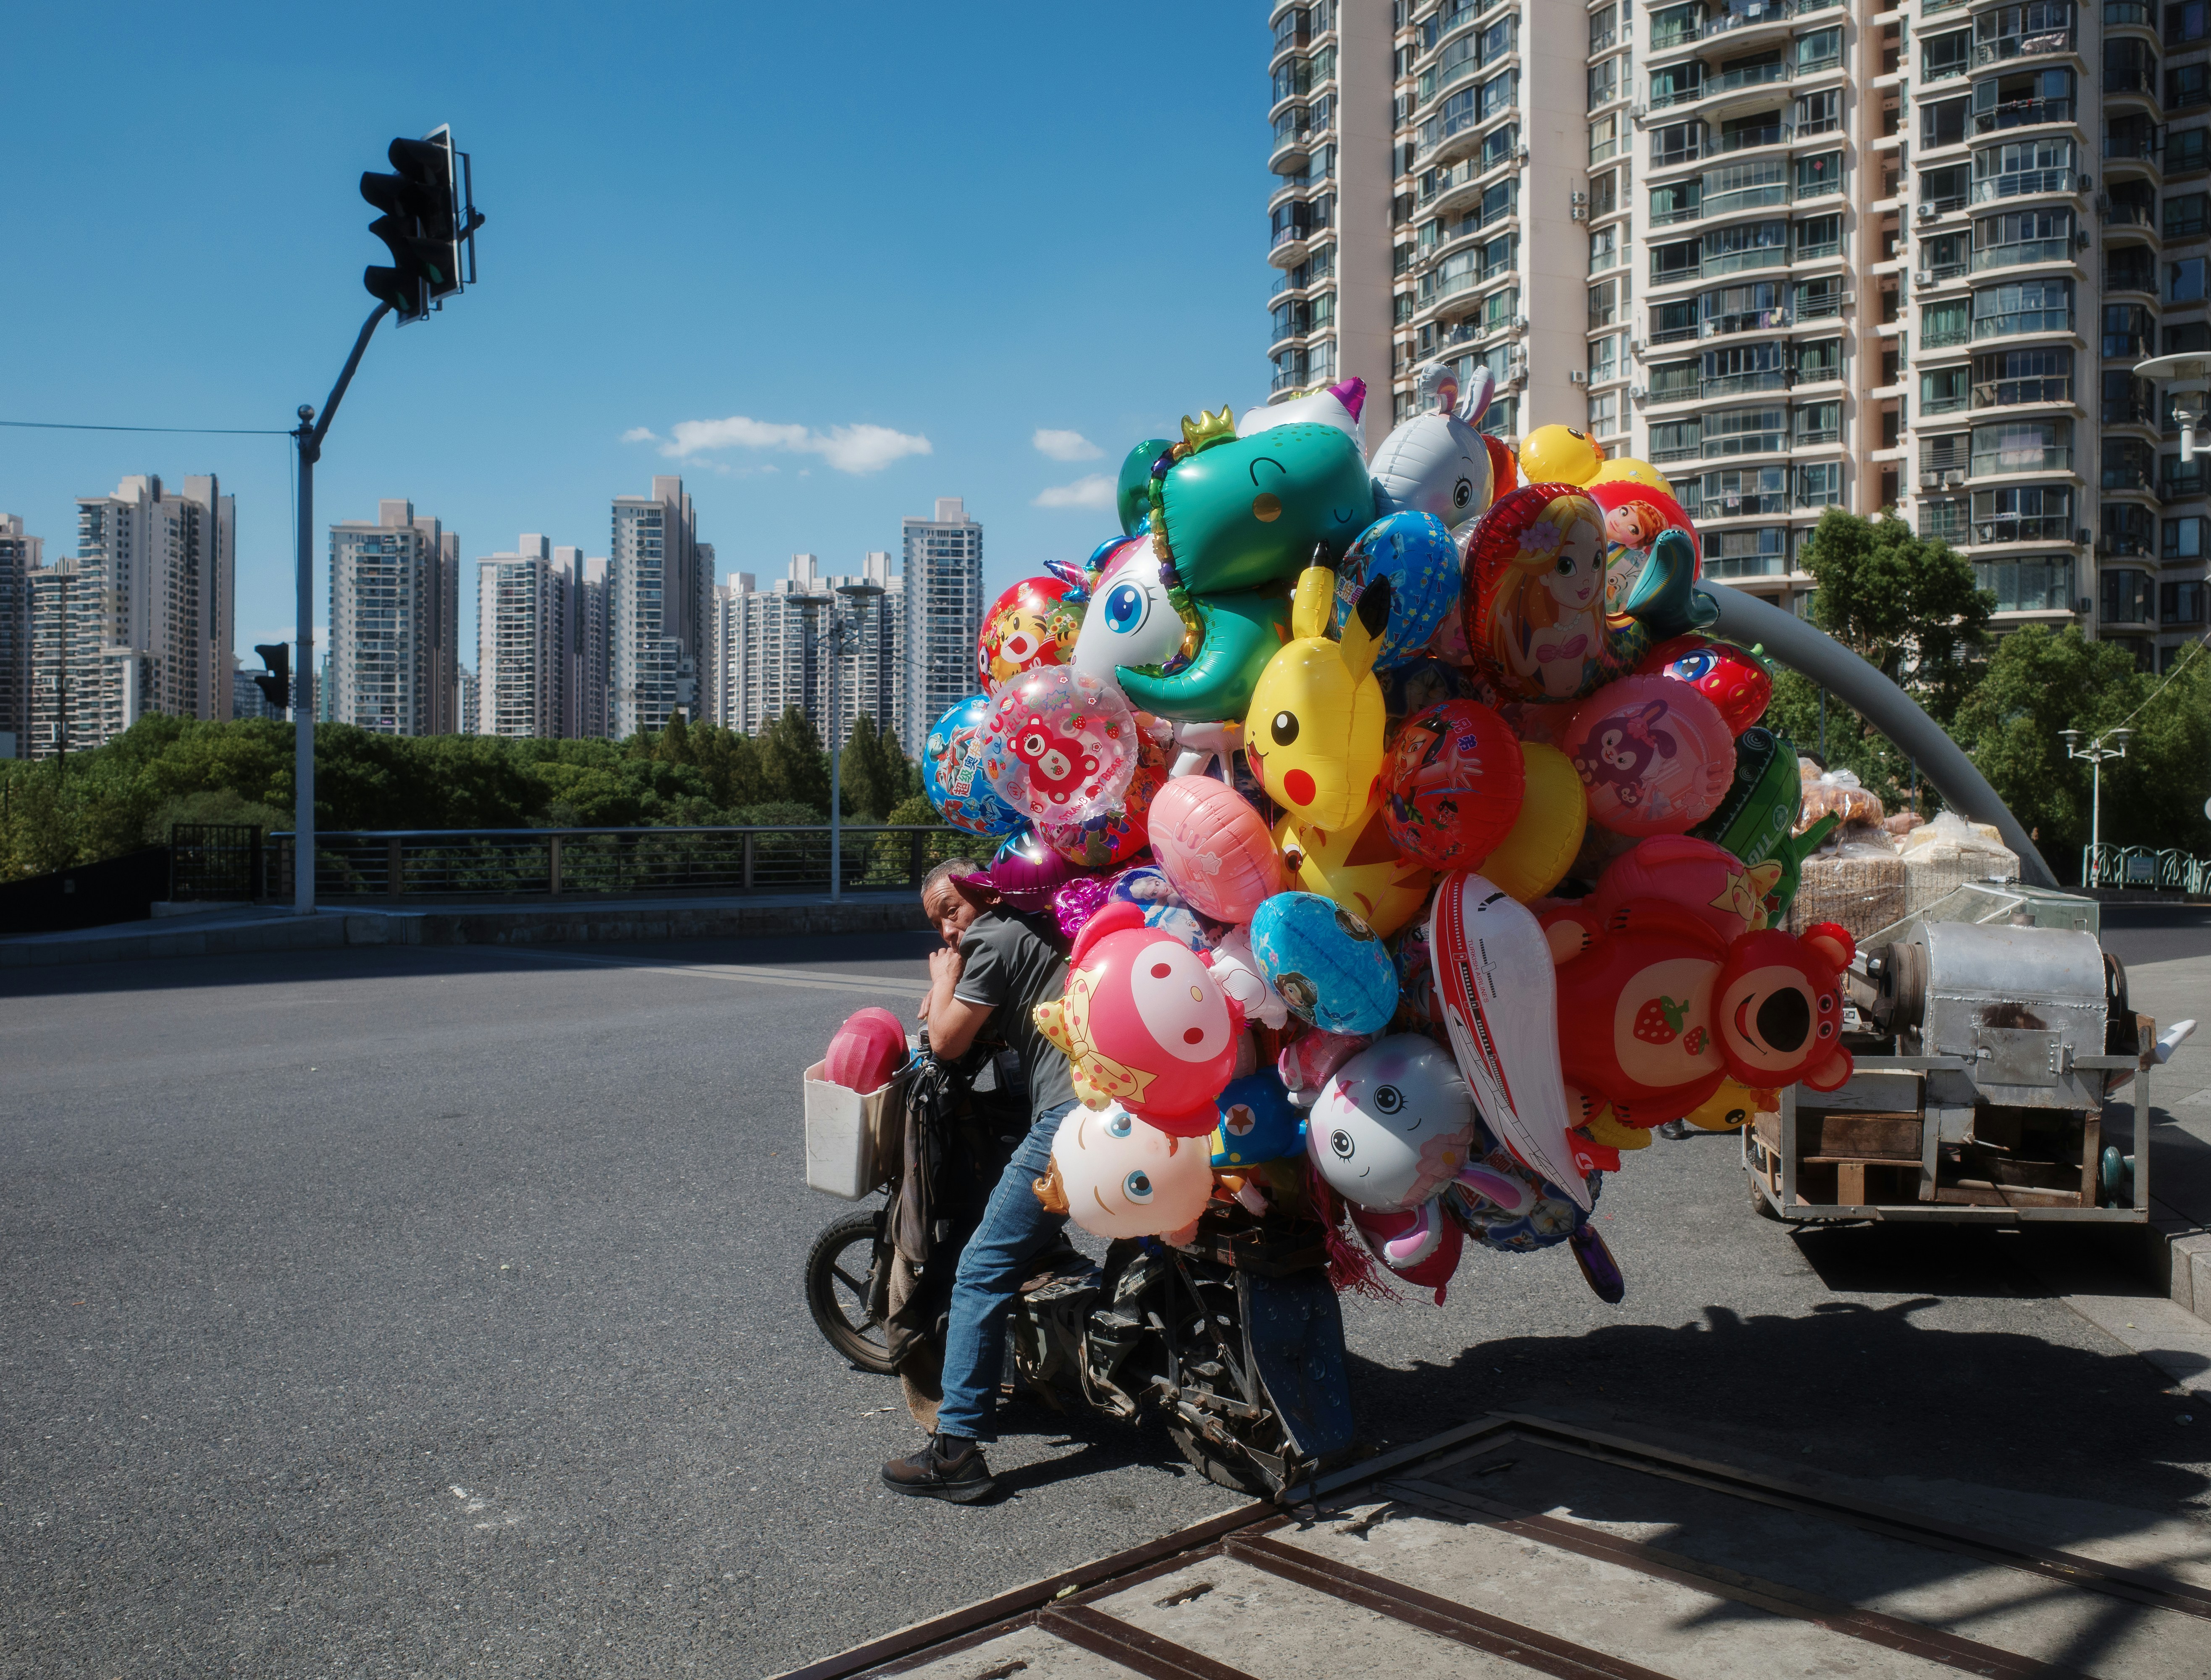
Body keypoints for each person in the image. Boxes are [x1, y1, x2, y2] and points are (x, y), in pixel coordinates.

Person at [880, 857, 1080, 1503]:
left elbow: (944, 1044)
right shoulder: (1038, 922)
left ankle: (957, 1450)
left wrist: (942, 981)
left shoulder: (990, 934)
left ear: (983, 895)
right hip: (1130, 1102)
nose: (947, 933)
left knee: (982, 1267)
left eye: (949, 912)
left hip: (1071, 1118)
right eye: (938, 924)